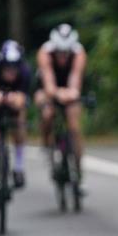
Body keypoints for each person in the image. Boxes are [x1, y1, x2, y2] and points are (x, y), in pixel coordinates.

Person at [0, 40, 31, 214]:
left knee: (19, 124)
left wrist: (13, 100)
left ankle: (18, 166)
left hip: (13, 108)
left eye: (14, 67)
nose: (12, 71)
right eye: (8, 67)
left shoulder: (25, 71)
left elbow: (23, 101)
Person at [34, 24, 87, 172]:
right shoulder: (45, 52)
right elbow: (48, 80)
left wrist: (72, 93)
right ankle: (46, 144)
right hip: (48, 87)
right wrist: (56, 94)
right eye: (59, 52)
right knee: (47, 114)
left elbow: (75, 77)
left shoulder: (79, 52)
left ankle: (78, 168)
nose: (63, 56)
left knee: (74, 126)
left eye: (66, 52)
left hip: (69, 88)